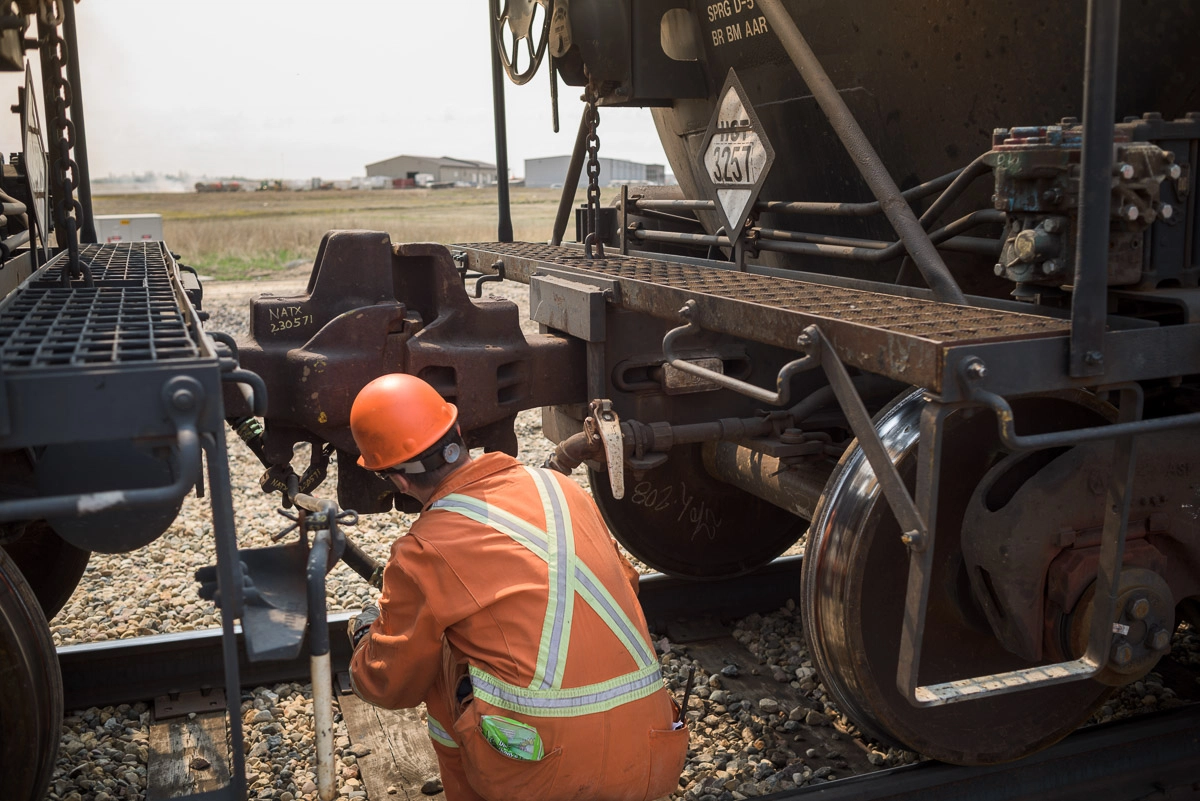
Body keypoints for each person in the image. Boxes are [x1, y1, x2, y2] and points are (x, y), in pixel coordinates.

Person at [345, 373, 688, 801]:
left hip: (544, 778)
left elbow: (392, 684)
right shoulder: (563, 489)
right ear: (458, 434)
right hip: (655, 753)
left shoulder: (422, 549)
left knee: (439, 657)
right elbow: (627, 583)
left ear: (396, 479)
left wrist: (365, 642)